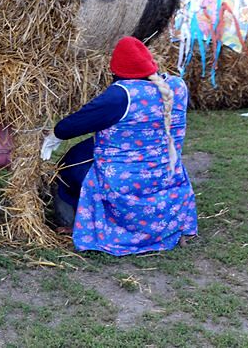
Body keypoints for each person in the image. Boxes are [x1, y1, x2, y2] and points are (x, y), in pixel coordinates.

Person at [41, 36, 198, 255]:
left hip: (125, 187)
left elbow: (76, 123)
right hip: (164, 179)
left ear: (116, 71)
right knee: (86, 150)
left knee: (69, 166)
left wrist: (56, 134)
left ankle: (76, 220)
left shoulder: (122, 95)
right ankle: (166, 227)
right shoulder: (176, 86)